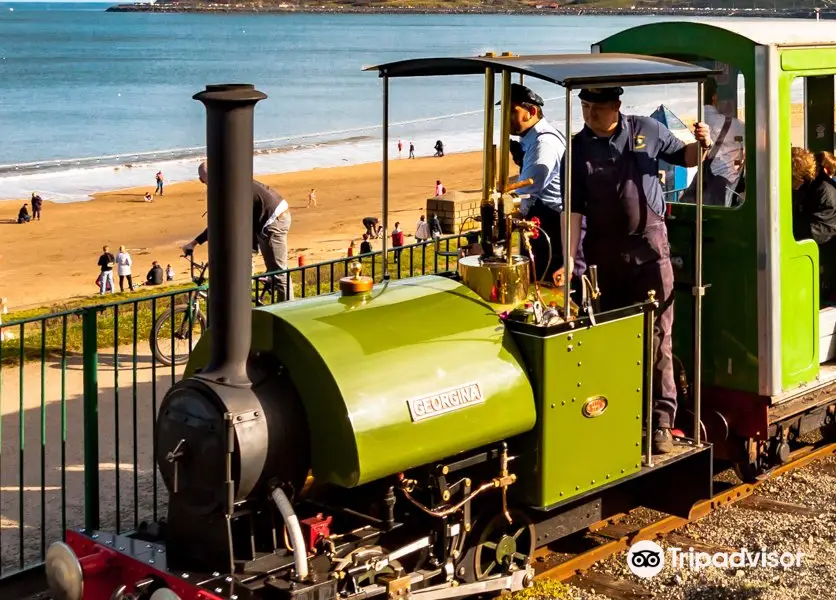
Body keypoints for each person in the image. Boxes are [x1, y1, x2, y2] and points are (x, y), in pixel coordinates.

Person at [557, 86, 713, 455]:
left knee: (658, 337)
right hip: (603, 255)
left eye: (598, 108)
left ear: (617, 107)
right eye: (585, 107)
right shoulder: (577, 150)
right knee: (611, 338)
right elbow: (572, 212)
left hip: (649, 250)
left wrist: (702, 144)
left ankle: (660, 423)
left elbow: (686, 157)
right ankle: (617, 417)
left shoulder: (647, 130)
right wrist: (569, 260)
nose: (590, 114)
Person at [182, 161, 293, 302]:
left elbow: (220, 224)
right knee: (245, 257)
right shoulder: (228, 181)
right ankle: (244, 294)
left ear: (202, 180)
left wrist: (194, 243)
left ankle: (287, 310)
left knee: (278, 271)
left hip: (272, 219)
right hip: (257, 220)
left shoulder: (229, 187)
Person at [502, 83, 578, 282]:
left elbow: (527, 192)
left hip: (551, 228)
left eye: (512, 111)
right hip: (545, 222)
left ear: (531, 112)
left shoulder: (543, 144)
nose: (506, 118)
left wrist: (505, 216)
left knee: (543, 284)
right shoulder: (533, 140)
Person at [679, 77, 745, 207]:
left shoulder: (693, 124)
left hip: (701, 190)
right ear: (714, 97)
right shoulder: (736, 125)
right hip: (728, 190)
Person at [792, 148, 836, 245]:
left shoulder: (825, 189)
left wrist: (791, 225)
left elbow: (822, 230)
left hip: (820, 248)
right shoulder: (810, 185)